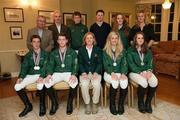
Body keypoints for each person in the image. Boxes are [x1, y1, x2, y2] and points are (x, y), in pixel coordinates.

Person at [14, 35, 48, 117]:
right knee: (17, 86)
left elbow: (46, 67)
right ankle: (28, 105)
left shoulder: (45, 54)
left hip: (40, 74)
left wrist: (42, 76)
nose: (36, 44)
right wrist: (21, 77)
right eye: (34, 42)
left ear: (40, 43)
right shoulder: (28, 55)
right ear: (31, 43)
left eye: (38, 42)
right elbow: (24, 67)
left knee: (40, 85)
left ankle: (42, 105)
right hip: (30, 75)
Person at [44, 33, 78, 115]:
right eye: (60, 39)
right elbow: (50, 65)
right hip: (57, 72)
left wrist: (73, 74)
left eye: (63, 39)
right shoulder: (53, 53)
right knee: (46, 83)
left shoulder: (72, 52)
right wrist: (49, 74)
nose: (62, 41)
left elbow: (76, 64)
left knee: (74, 83)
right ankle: (54, 103)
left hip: (69, 72)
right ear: (57, 41)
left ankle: (69, 103)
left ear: (66, 40)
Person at [127, 32, 158, 113]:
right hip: (134, 72)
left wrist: (149, 71)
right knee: (143, 82)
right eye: (138, 38)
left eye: (142, 38)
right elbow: (130, 64)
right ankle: (140, 103)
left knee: (154, 82)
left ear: (144, 40)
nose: (140, 40)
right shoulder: (130, 50)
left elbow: (150, 62)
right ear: (135, 39)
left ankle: (148, 103)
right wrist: (140, 72)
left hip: (146, 70)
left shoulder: (148, 49)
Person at [103, 31, 128, 115]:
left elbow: (124, 63)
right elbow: (105, 65)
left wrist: (123, 73)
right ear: (109, 39)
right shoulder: (105, 51)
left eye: (116, 38)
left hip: (120, 72)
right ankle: (112, 104)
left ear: (118, 40)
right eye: (112, 38)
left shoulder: (123, 50)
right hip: (108, 73)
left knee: (124, 82)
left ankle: (121, 104)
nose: (114, 40)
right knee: (115, 81)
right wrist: (112, 73)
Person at [78, 32, 102, 114]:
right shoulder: (81, 50)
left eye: (91, 38)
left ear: (93, 39)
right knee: (84, 84)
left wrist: (96, 72)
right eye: (87, 38)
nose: (89, 39)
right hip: (84, 72)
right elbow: (80, 63)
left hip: (95, 72)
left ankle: (95, 103)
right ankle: (87, 103)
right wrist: (83, 73)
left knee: (96, 84)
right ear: (84, 40)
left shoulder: (98, 50)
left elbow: (100, 63)